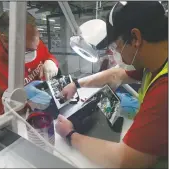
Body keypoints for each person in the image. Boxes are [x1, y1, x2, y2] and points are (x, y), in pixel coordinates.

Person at [56, 1, 168, 168]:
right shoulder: (155, 62)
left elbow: (124, 160)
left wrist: (71, 135)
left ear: (135, 38)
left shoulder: (164, 90)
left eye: (117, 45)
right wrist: (76, 84)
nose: (115, 52)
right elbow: (116, 74)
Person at [0, 11, 59, 117]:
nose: (34, 53)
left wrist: (51, 62)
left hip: (40, 107)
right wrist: (19, 97)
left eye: (36, 46)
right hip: (16, 118)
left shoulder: (29, 38)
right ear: (5, 39)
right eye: (28, 50)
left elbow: (47, 55)